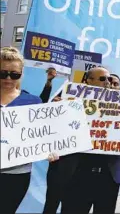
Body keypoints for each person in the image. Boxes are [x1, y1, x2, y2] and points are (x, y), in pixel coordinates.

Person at [0, 47, 59, 214]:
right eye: (3, 73)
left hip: (17, 175)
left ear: (21, 73)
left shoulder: (32, 102)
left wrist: (48, 149)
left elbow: (42, 135)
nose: (8, 78)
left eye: (14, 74)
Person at [60, 67, 120, 214]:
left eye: (109, 79)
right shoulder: (72, 103)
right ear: (89, 81)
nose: (107, 82)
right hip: (78, 174)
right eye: (102, 79)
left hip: (109, 176)